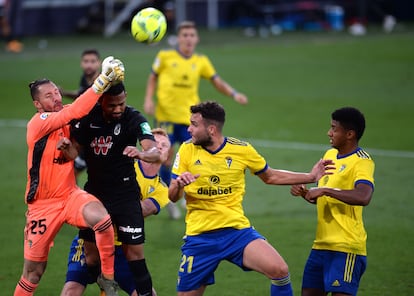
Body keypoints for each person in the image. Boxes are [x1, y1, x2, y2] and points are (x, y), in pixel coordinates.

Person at [168, 101, 335, 295]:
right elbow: (173, 196)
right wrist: (179, 185)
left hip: (236, 232)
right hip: (200, 237)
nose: (188, 129)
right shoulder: (187, 150)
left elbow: (270, 176)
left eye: (194, 124)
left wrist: (311, 177)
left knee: (279, 270)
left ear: (211, 129)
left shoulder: (241, 150)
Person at [13, 56, 125, 296]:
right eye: (48, 96)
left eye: (56, 92)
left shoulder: (65, 113)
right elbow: (77, 109)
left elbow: (89, 106)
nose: (55, 97)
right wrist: (102, 78)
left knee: (102, 220)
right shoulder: (39, 122)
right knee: (34, 272)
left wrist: (107, 84)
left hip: (69, 195)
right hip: (42, 206)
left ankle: (108, 279)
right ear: (37, 104)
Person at [143, 20, 248, 219]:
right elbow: (152, 77)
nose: (189, 39)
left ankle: (184, 192)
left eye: (192, 35)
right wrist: (149, 99)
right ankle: (169, 195)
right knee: (165, 157)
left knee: (191, 157)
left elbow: (216, 81)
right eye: (185, 35)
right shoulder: (165, 56)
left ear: (197, 39)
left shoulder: (201, 61)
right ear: (179, 38)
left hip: (191, 120)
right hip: (165, 116)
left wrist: (234, 94)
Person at [70, 82, 161, 296]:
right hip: (94, 197)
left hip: (125, 195)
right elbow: (74, 151)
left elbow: (155, 151)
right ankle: (106, 287)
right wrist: (68, 148)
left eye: (121, 103)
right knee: (91, 258)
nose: (118, 109)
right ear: (101, 101)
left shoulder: (134, 118)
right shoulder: (87, 119)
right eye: (112, 105)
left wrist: (142, 154)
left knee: (135, 256)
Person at [60, 128, 171, 296]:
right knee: (72, 290)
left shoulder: (162, 190)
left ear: (169, 153)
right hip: (92, 241)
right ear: (146, 148)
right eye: (157, 143)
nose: (161, 147)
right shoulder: (125, 166)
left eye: (165, 145)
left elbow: (139, 211)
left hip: (122, 248)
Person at [290, 107, 375, 296]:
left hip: (346, 248)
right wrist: (305, 193)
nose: (329, 133)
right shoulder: (329, 156)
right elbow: (324, 198)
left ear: (350, 134)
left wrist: (325, 189)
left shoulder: (362, 161)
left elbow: (363, 196)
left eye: (334, 129)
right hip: (320, 245)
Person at [60, 49, 102, 179]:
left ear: (99, 63)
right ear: (81, 63)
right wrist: (65, 93)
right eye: (86, 61)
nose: (89, 65)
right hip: (85, 135)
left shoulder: (102, 83)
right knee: (71, 173)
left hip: (99, 137)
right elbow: (82, 96)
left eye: (92, 61)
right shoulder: (85, 79)